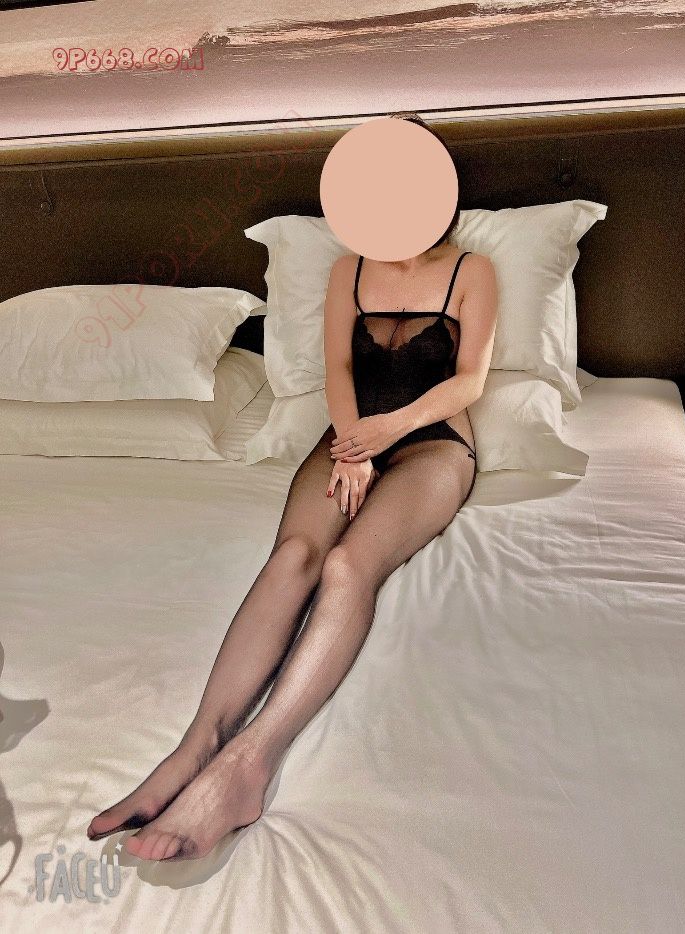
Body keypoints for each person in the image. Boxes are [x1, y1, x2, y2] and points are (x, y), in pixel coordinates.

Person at [87, 114, 498, 861]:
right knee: (292, 557)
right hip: (348, 439)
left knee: (347, 566)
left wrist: (387, 433)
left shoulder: (473, 271)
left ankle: (250, 761)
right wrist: (353, 445)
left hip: (435, 444)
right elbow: (339, 369)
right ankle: (196, 745)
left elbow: (469, 380)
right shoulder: (348, 270)